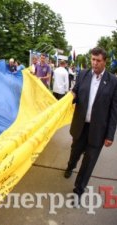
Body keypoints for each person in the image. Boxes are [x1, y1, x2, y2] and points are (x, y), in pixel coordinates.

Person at [64, 47, 117, 200]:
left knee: (89, 161)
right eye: (92, 60)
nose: (94, 63)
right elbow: (75, 92)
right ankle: (70, 166)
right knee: (75, 152)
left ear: (104, 61)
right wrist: (69, 97)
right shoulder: (83, 74)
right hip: (80, 126)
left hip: (98, 130)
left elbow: (114, 110)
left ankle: (79, 190)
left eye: (98, 60)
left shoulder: (113, 81)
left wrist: (110, 135)